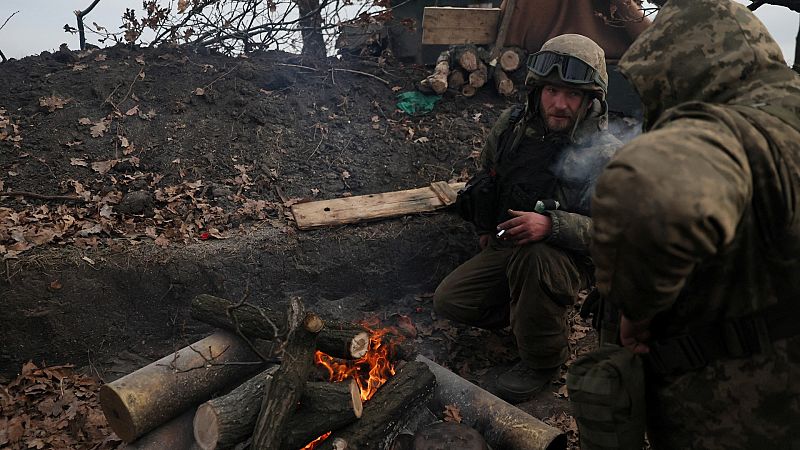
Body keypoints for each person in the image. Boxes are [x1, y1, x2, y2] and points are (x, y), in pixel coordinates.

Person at [590, 0, 800, 448]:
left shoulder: (738, 130)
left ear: (680, 68)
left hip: (740, 413)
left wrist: (637, 306)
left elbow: (648, 187)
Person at [434, 34, 622, 403]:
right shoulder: (513, 126)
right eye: (552, 91)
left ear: (590, 100)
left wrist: (553, 225)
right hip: (512, 240)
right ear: (537, 90)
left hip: (566, 256)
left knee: (536, 259)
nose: (559, 104)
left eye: (572, 94)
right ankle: (529, 317)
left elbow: (616, 235)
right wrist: (486, 226)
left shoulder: (607, 156)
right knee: (450, 300)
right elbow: (488, 174)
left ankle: (543, 360)